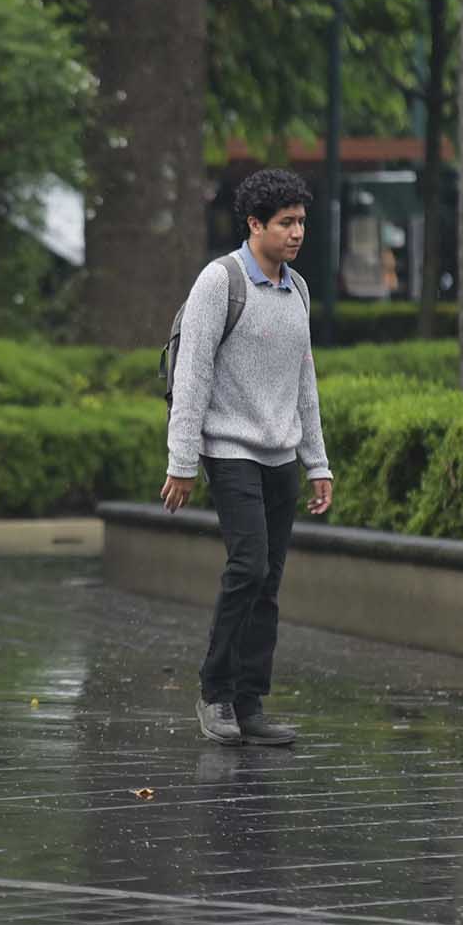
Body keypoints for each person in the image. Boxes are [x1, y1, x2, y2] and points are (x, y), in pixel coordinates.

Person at [162, 168, 335, 748]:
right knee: (249, 567)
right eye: (285, 223)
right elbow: (193, 374)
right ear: (254, 224)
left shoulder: (298, 289)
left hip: (280, 456)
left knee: (269, 583)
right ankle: (215, 694)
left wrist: (318, 463)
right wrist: (182, 460)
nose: (296, 233)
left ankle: (250, 702)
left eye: (301, 222)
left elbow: (304, 382)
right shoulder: (220, 281)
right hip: (228, 448)